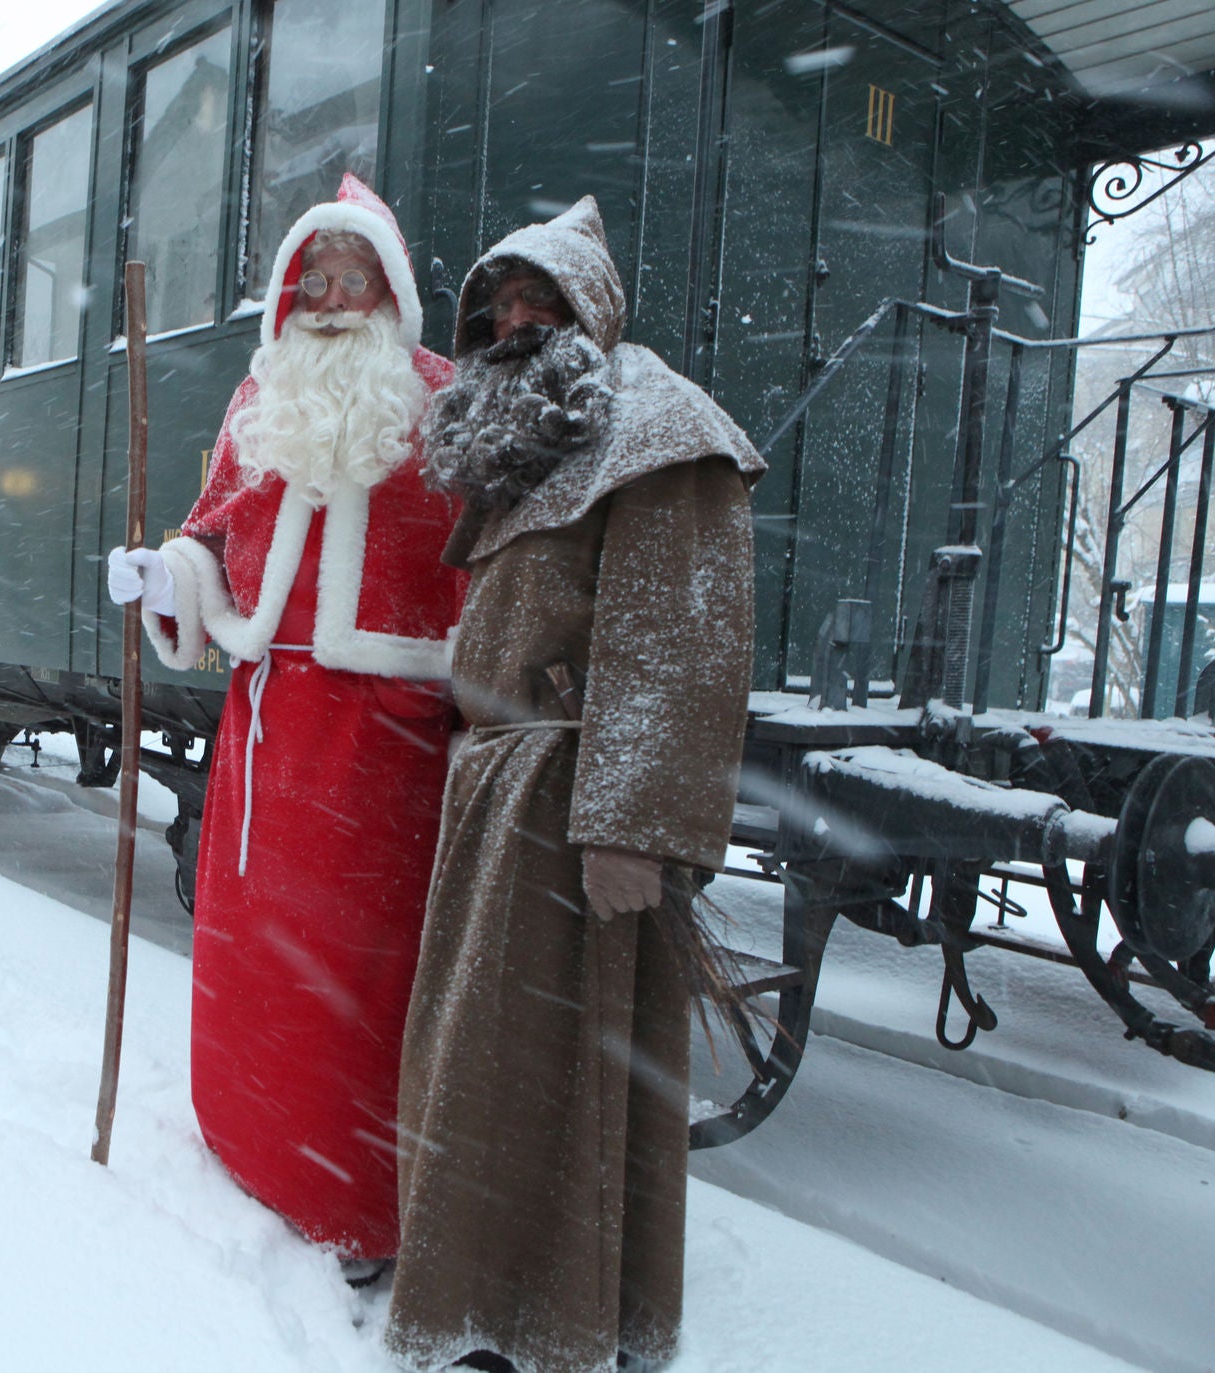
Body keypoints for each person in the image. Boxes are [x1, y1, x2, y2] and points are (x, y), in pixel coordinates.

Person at [384, 197, 765, 1373]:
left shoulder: (660, 428)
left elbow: (678, 642)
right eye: (495, 304)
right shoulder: (536, 451)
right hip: (503, 799)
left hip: (570, 806)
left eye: (534, 301)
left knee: (549, 1080)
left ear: (588, 309)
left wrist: (627, 826)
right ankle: (480, 1307)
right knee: (488, 1075)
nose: (510, 321)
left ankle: (545, 1325)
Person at [106, 174, 462, 1265]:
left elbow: (483, 553)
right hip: (273, 727)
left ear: (389, 287)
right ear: (290, 290)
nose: (334, 296)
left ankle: (363, 1196)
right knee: (264, 954)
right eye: (317, 278)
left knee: (365, 969)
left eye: (354, 276)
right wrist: (159, 573)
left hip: (395, 739)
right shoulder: (261, 401)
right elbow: (212, 535)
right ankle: (257, 1151)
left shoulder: (439, 398)